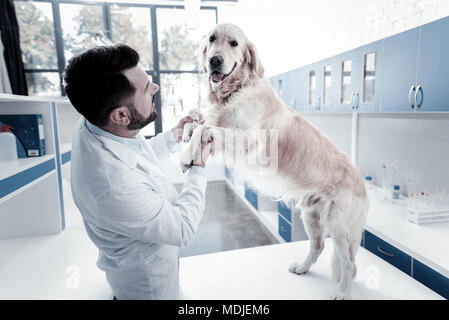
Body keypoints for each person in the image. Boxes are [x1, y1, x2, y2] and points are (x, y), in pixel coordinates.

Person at [63, 44, 212, 300]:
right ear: (121, 115)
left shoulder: (94, 122)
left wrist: (174, 136)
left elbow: (133, 154)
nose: (156, 88)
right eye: (147, 88)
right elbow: (183, 229)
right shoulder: (113, 188)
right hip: (148, 285)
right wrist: (198, 165)